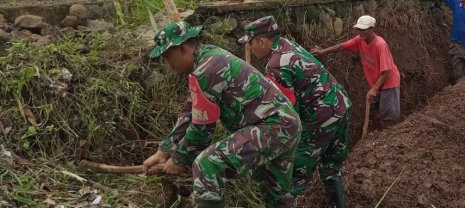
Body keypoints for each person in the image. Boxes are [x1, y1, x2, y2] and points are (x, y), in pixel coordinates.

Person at [142, 21, 301, 208]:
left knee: (207, 164)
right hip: (286, 125)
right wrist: (164, 151)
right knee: (275, 194)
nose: (168, 63)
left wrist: (179, 159)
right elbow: (190, 111)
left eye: (168, 56)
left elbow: (202, 129)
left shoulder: (207, 70)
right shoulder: (208, 58)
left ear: (183, 49)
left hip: (273, 126)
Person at [239, 16, 351, 207]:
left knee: (291, 176)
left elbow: (287, 113)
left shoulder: (275, 65)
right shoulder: (288, 45)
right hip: (341, 105)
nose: (250, 48)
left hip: (321, 116)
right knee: (331, 168)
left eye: (250, 43)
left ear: (261, 41)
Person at [312, 15, 401, 127]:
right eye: (359, 29)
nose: (361, 32)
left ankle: (391, 137)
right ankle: (380, 135)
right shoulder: (360, 40)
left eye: (364, 30)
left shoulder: (380, 45)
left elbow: (387, 70)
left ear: (372, 29)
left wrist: (374, 88)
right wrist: (323, 51)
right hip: (376, 84)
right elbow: (342, 46)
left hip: (388, 83)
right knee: (375, 112)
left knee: (388, 116)